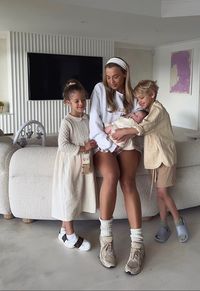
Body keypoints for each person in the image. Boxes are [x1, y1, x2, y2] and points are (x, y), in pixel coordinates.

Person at [112, 80, 189, 244]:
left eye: (141, 98)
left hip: (165, 157)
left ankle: (178, 221)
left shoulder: (157, 110)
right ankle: (163, 225)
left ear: (152, 95)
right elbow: (137, 125)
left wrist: (125, 130)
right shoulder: (145, 110)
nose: (139, 102)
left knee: (162, 193)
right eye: (137, 99)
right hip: (153, 158)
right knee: (159, 195)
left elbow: (145, 127)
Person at [89, 57, 145, 275]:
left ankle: (138, 245)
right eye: (108, 77)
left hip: (128, 141)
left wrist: (127, 133)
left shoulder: (133, 95)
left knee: (128, 181)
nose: (112, 80)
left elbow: (142, 120)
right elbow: (94, 123)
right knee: (111, 175)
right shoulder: (100, 90)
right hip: (104, 142)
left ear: (124, 75)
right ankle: (106, 240)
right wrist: (108, 146)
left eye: (116, 77)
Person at [51, 79, 97, 251]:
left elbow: (92, 135)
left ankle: (63, 231)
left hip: (84, 165)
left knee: (77, 195)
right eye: (76, 101)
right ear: (67, 102)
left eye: (83, 99)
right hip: (69, 166)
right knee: (69, 197)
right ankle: (70, 235)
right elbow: (63, 145)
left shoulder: (87, 118)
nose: (81, 103)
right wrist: (83, 147)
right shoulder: (67, 122)